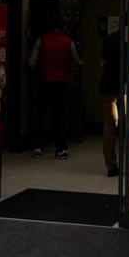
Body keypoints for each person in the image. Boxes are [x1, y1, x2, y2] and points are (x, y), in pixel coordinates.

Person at [29, 15, 81, 159]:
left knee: (40, 114)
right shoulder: (68, 42)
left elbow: (32, 61)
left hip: (44, 81)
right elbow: (76, 61)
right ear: (64, 28)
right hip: (62, 83)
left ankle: (37, 146)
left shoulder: (42, 40)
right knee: (61, 116)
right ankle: (61, 149)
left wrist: (38, 71)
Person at [99, 29, 122, 177]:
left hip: (107, 86)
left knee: (110, 127)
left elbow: (103, 62)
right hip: (126, 86)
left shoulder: (108, 39)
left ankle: (111, 165)